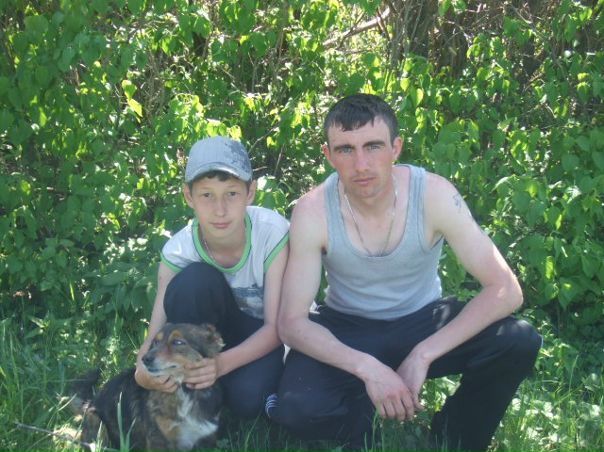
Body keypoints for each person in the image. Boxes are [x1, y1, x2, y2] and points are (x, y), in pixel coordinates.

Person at [268, 94, 541, 452]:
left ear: (396, 148)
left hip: (422, 319)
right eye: (346, 149)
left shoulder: (433, 195)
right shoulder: (313, 210)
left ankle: (453, 438)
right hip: (348, 324)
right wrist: (367, 368)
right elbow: (291, 322)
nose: (361, 164)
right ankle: (365, 421)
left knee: (518, 340)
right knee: (296, 410)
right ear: (329, 155)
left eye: (373, 146)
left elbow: (506, 289)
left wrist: (423, 354)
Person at [135, 136, 289, 418]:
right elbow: (157, 329)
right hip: (211, 335)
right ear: (188, 196)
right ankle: (196, 381)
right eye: (207, 195)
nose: (220, 210)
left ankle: (219, 382)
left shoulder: (272, 233)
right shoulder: (178, 250)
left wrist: (222, 364)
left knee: (247, 400)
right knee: (194, 281)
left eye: (232, 194)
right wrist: (140, 371)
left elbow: (277, 326)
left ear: (250, 192)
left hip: (265, 334)